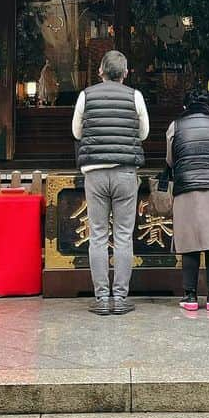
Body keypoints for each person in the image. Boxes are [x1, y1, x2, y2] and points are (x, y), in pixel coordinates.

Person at [71, 49, 149, 316]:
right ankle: (121, 296)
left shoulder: (85, 95)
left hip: (94, 172)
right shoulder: (135, 96)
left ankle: (102, 297)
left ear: (100, 72)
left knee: (98, 235)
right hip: (126, 172)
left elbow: (76, 132)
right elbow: (144, 132)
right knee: (124, 236)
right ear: (126, 73)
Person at [167, 88, 209, 314]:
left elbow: (170, 159)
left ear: (185, 106)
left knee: (190, 244)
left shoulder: (175, 126)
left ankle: (190, 296)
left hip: (186, 189)